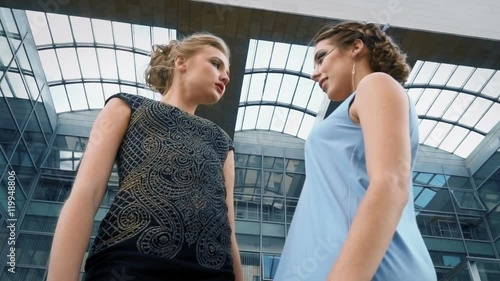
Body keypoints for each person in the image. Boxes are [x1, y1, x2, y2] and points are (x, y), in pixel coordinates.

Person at [47, 33, 243, 281]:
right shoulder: (126, 106)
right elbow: (87, 192)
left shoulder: (222, 141)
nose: (225, 76)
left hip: (213, 272)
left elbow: (229, 230)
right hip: (129, 265)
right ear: (181, 62)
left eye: (226, 70)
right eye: (216, 64)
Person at [274, 21, 437, 281]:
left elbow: (392, 182)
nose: (314, 74)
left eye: (320, 58)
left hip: (368, 269)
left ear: (356, 47)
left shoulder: (376, 84)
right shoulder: (359, 100)